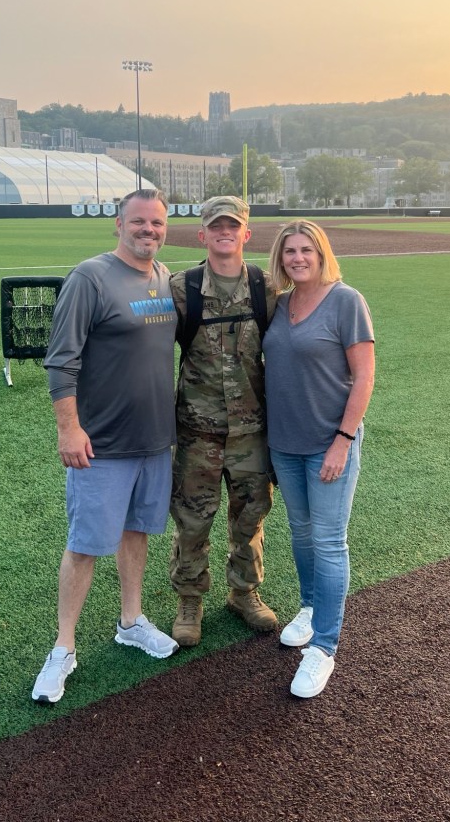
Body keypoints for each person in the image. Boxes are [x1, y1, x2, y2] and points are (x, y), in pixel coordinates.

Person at [32, 189, 179, 704]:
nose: (148, 230)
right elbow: (61, 360)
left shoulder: (164, 277)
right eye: (138, 221)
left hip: (154, 441)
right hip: (102, 445)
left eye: (156, 223)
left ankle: (131, 621)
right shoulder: (90, 277)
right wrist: (68, 428)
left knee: (136, 533)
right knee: (85, 544)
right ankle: (63, 648)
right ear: (118, 224)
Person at [263, 220, 375, 698]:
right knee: (301, 531)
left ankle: (324, 647)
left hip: (329, 443)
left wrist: (343, 440)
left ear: (322, 253)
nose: (298, 258)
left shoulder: (346, 301)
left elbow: (364, 376)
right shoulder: (280, 304)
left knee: (329, 541)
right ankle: (309, 608)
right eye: (290, 251)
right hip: (284, 443)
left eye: (306, 249)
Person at [169, 195, 278, 646]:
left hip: (251, 431)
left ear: (246, 233)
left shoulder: (266, 288)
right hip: (197, 431)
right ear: (203, 234)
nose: (225, 232)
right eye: (216, 226)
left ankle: (243, 592)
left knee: (250, 517)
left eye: (233, 225)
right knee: (192, 520)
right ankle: (189, 600)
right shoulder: (183, 288)